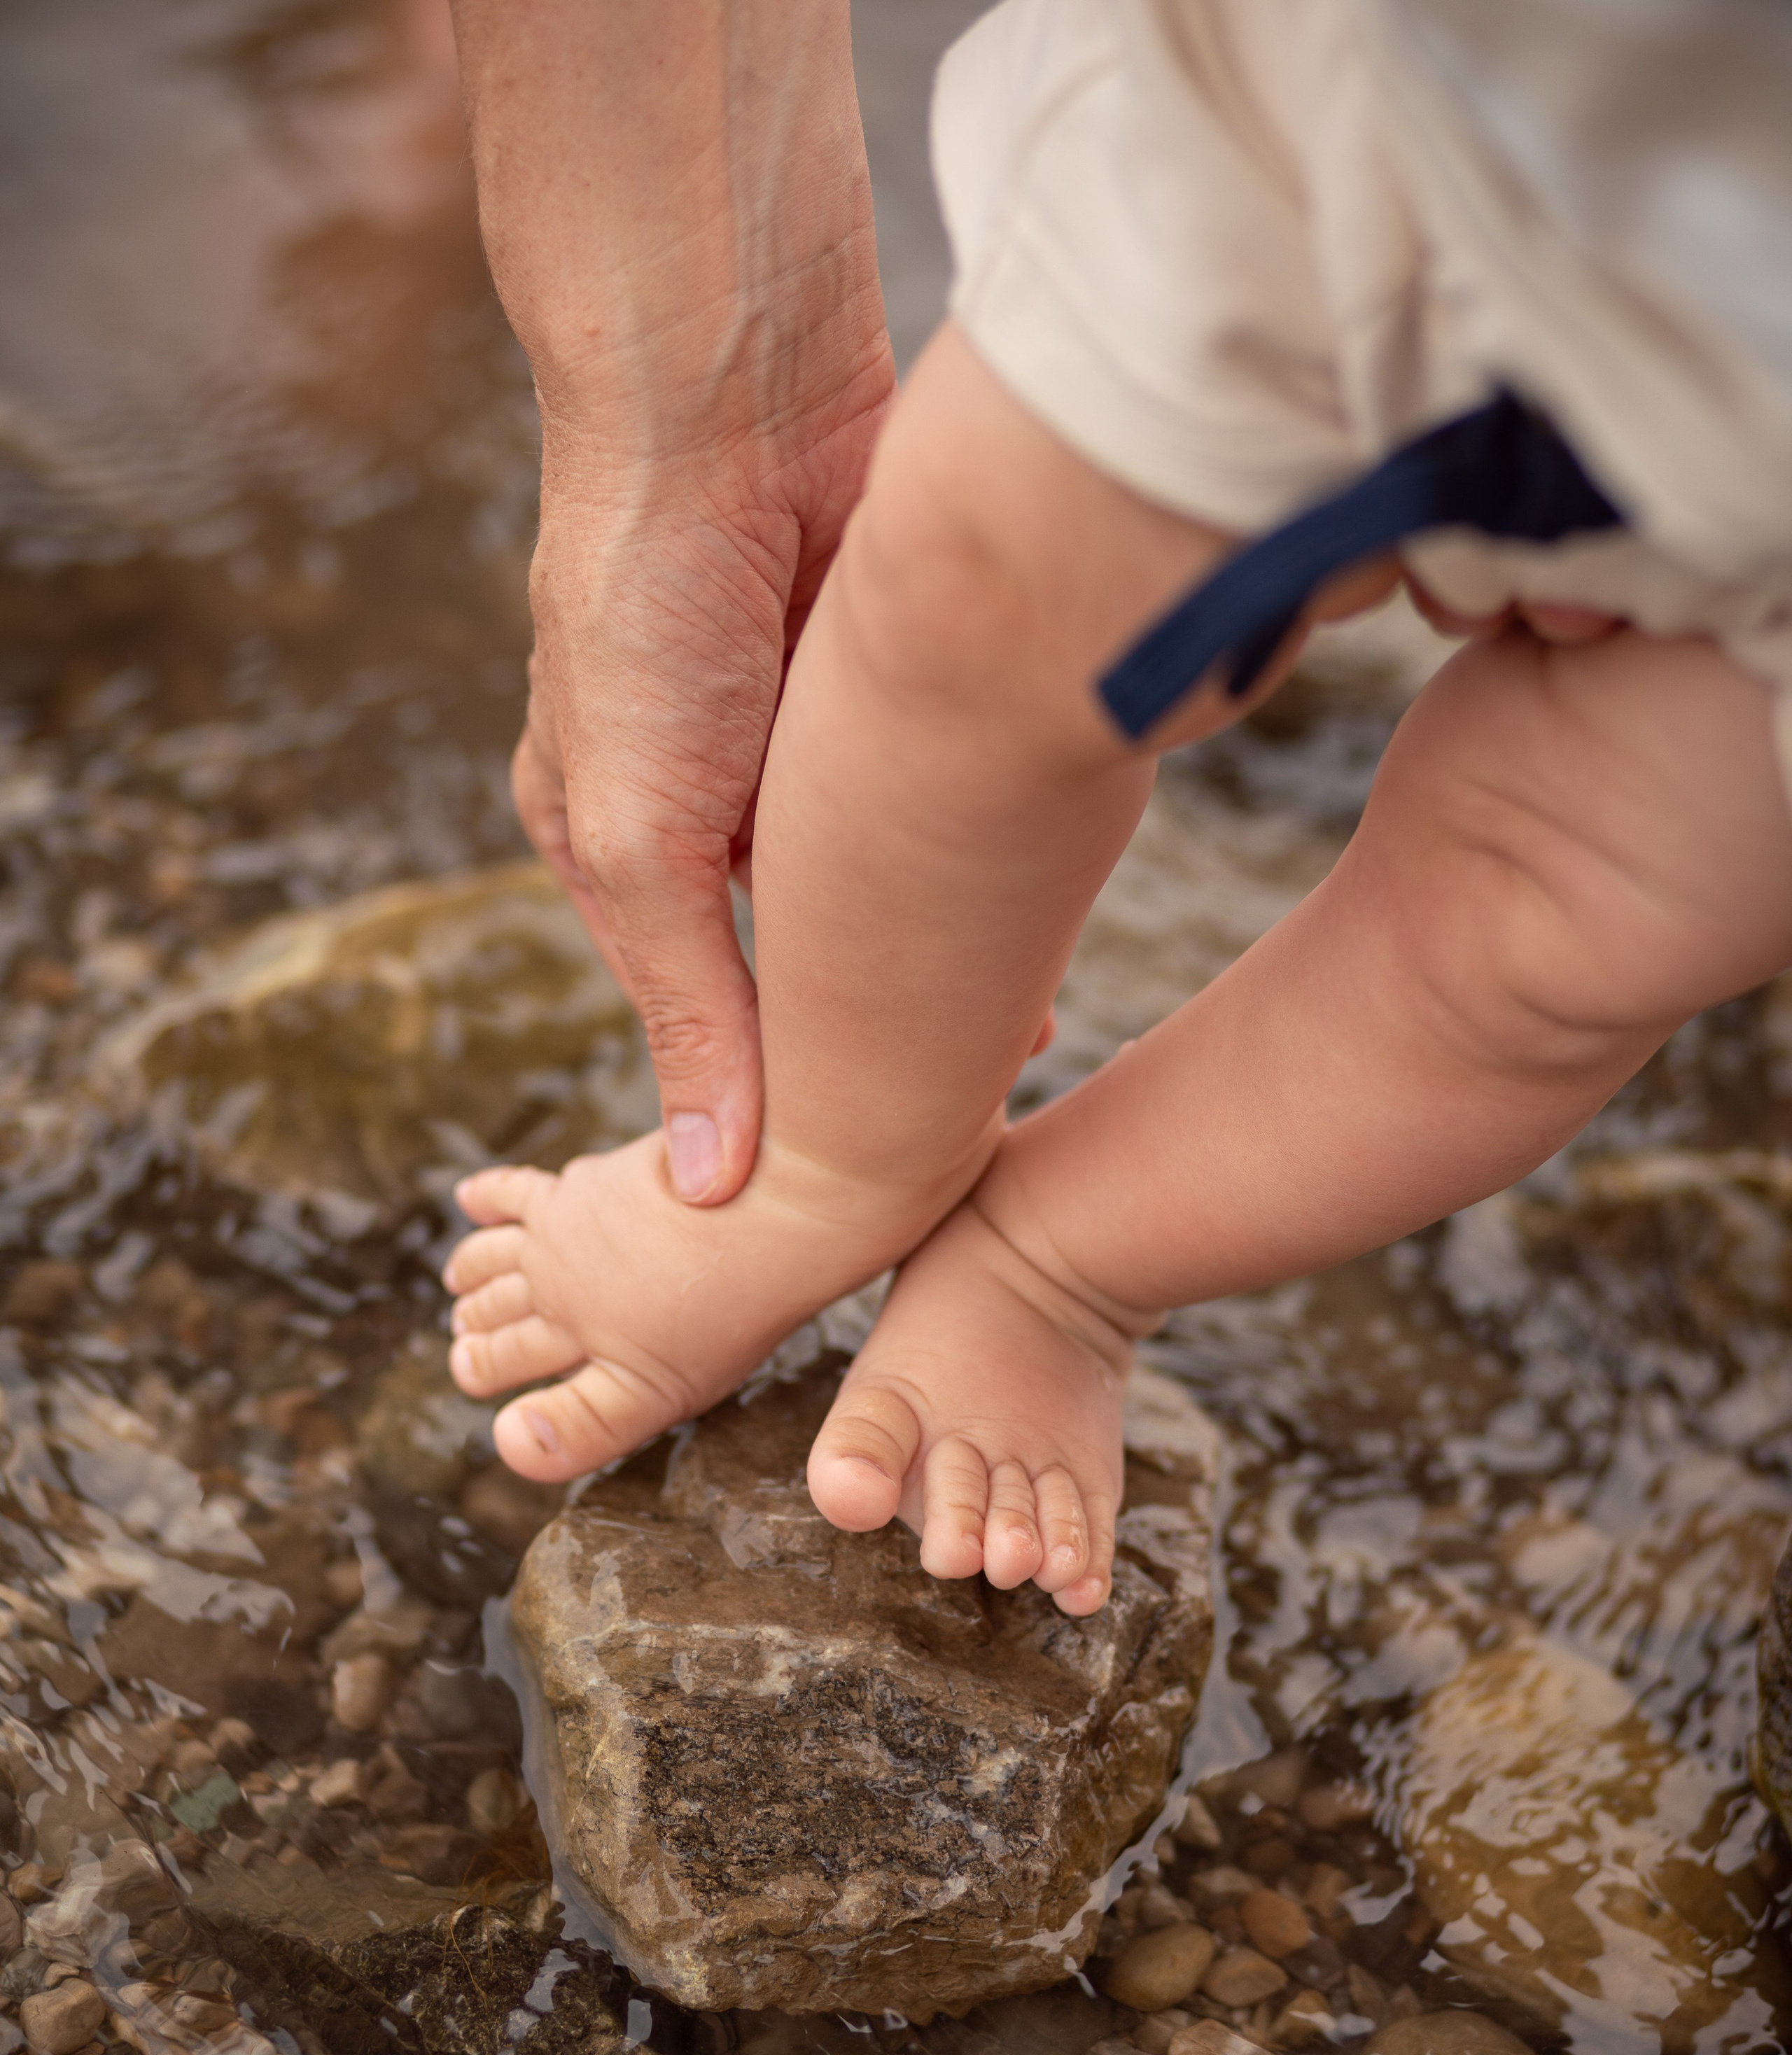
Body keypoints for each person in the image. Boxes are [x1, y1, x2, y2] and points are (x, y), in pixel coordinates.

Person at [442, 0, 1792, 1620]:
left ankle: (1060, 1262)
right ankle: (828, 1157)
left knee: (1576, 929)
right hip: (1446, 106)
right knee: (994, 602)